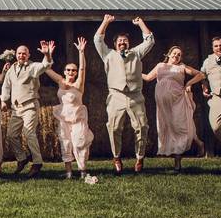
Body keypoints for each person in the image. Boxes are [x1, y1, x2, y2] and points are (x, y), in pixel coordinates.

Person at [94, 14, 155, 174]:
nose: (122, 43)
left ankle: (140, 158)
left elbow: (149, 40)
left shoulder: (136, 53)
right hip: (116, 96)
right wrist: (105, 22)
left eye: (125, 41)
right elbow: (97, 40)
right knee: (113, 128)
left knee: (142, 127)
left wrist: (141, 23)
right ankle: (116, 157)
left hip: (136, 96)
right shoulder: (108, 55)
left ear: (128, 43)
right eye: (119, 41)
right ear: (115, 44)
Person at [142, 46, 205, 173]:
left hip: (178, 101)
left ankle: (196, 144)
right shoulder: (160, 66)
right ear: (169, 54)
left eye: (179, 55)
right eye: (174, 53)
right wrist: (133, 72)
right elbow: (148, 78)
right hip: (163, 106)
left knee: (179, 128)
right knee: (170, 129)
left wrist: (188, 83)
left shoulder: (182, 67)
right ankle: (178, 162)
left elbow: (201, 74)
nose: (176, 56)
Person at [0, 41, 55, 178]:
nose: (21, 55)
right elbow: (6, 86)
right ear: (16, 55)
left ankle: (37, 162)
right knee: (11, 135)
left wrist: (47, 55)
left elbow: (45, 66)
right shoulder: (11, 69)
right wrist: (3, 100)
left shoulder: (32, 67)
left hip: (30, 105)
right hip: (16, 108)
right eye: (19, 53)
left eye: (24, 53)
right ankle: (22, 158)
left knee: (29, 132)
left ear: (28, 54)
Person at [44, 37, 94, 180]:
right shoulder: (60, 81)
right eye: (68, 70)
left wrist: (81, 52)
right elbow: (46, 68)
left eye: (73, 70)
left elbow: (83, 68)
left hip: (78, 117)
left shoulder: (79, 84)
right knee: (65, 142)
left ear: (76, 73)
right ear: (64, 71)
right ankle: (69, 173)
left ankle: (83, 170)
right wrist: (48, 54)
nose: (71, 72)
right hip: (64, 116)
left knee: (79, 143)